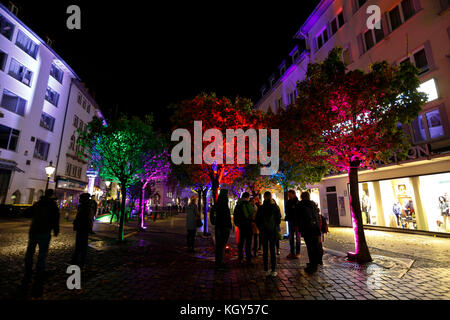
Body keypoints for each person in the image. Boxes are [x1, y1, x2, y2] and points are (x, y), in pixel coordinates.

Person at [23, 189, 60, 297]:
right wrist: (56, 230)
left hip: (34, 231)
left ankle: (28, 269)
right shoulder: (53, 206)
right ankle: (39, 271)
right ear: (52, 196)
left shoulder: (38, 203)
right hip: (45, 231)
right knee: (42, 253)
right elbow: (55, 219)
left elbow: (27, 213)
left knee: (30, 251)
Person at [256, 192, 281, 277]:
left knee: (265, 251)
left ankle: (266, 269)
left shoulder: (261, 208)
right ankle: (273, 270)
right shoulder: (275, 207)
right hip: (272, 231)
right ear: (271, 197)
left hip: (263, 232)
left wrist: (260, 228)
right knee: (273, 250)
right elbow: (278, 219)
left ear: (264, 197)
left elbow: (257, 220)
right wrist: (275, 226)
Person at [298, 191, 322, 273]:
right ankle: (314, 263)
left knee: (310, 247)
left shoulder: (300, 205)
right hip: (315, 228)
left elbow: (299, 218)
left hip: (307, 229)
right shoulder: (313, 204)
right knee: (315, 246)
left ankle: (312, 265)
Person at [71, 193, 95, 268]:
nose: (79, 199)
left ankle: (81, 261)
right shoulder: (82, 206)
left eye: (80, 198)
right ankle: (77, 260)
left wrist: (89, 228)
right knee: (79, 244)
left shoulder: (87, 207)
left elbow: (89, 218)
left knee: (82, 245)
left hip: (84, 228)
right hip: (81, 227)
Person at [211, 189, 232, 271]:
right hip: (224, 227)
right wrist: (229, 225)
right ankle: (220, 262)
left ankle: (218, 262)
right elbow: (226, 216)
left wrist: (214, 222)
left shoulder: (217, 204)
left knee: (219, 245)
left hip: (218, 227)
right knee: (222, 245)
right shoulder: (224, 204)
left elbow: (214, 214)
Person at [234, 192, 254, 266]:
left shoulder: (238, 205)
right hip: (248, 226)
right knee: (248, 244)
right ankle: (248, 259)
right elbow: (252, 213)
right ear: (248, 197)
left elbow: (235, 215)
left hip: (241, 226)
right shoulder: (248, 204)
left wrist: (237, 224)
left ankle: (240, 258)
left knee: (241, 243)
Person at [285, 190, 301, 259]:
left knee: (297, 238)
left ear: (293, 194)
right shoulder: (288, 202)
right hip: (290, 222)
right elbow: (287, 211)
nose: (288, 196)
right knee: (291, 238)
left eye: (289, 195)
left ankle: (298, 252)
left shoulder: (297, 202)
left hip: (297, 223)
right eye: (288, 195)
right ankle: (292, 252)